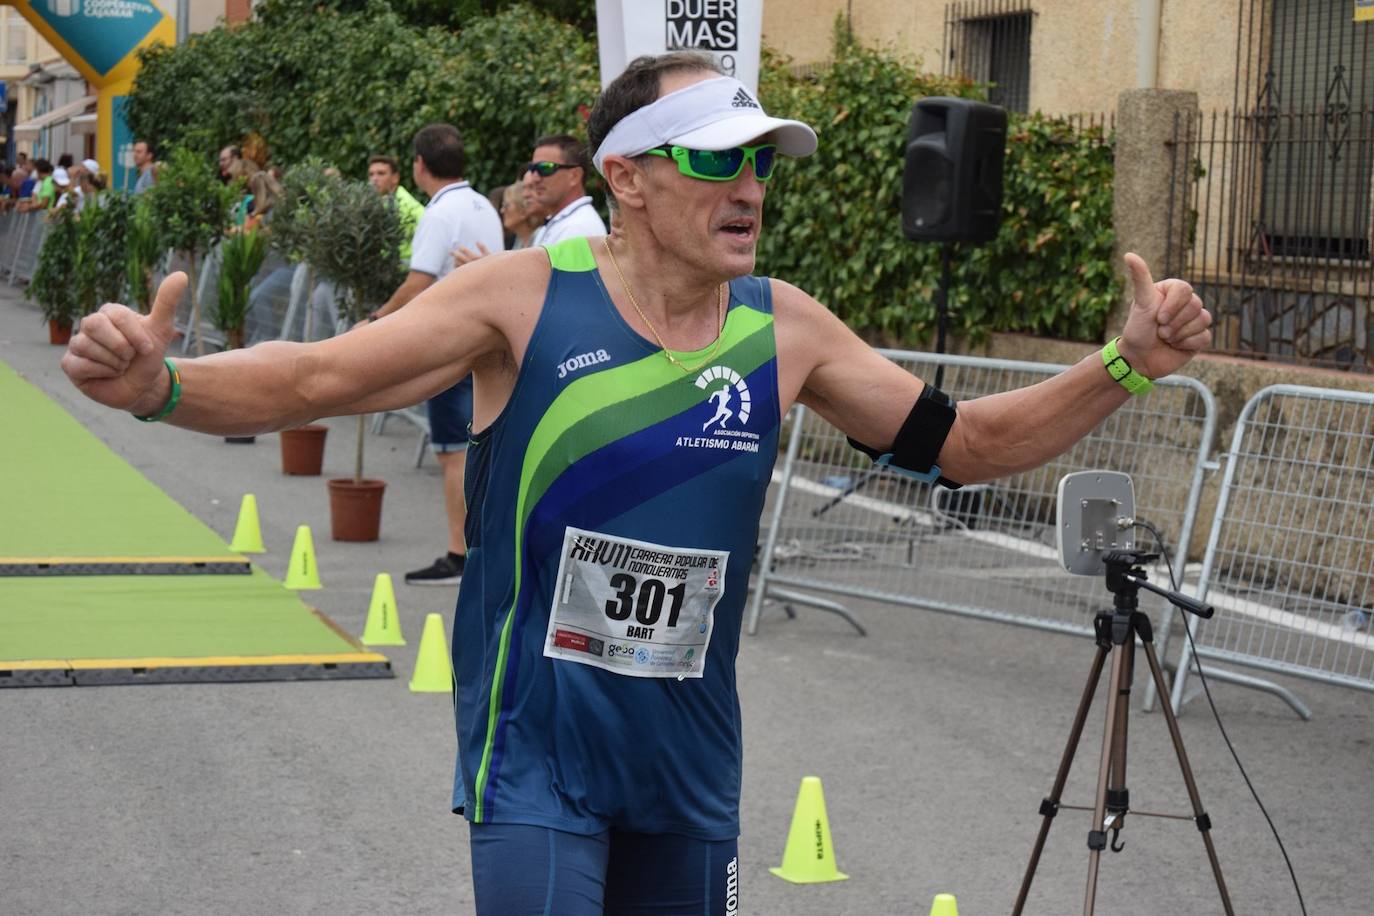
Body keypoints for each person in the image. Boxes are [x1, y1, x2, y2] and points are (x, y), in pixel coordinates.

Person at [60, 51, 1211, 914]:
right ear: (629, 177)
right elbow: (315, 374)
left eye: (761, 160)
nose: (750, 183)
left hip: (690, 768)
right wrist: (166, 388)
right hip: (538, 763)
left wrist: (1124, 363)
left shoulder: (784, 330)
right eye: (718, 157)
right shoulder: (521, 299)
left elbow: (965, 444)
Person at [364, 124, 502, 587]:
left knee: (452, 454)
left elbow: (419, 281)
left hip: (453, 343)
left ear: (419, 166)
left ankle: (457, 555)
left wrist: (378, 320)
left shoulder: (439, 213)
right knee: (476, 447)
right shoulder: (484, 205)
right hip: (488, 342)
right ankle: (479, 551)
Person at [524, 133, 606, 246]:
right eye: (532, 168)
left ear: (575, 176)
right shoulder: (562, 221)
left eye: (545, 168)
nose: (535, 178)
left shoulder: (578, 228)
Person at [366, 154, 425, 262]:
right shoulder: (382, 201)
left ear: (395, 178)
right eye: (371, 174)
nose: (374, 179)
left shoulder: (403, 205)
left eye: (381, 173)